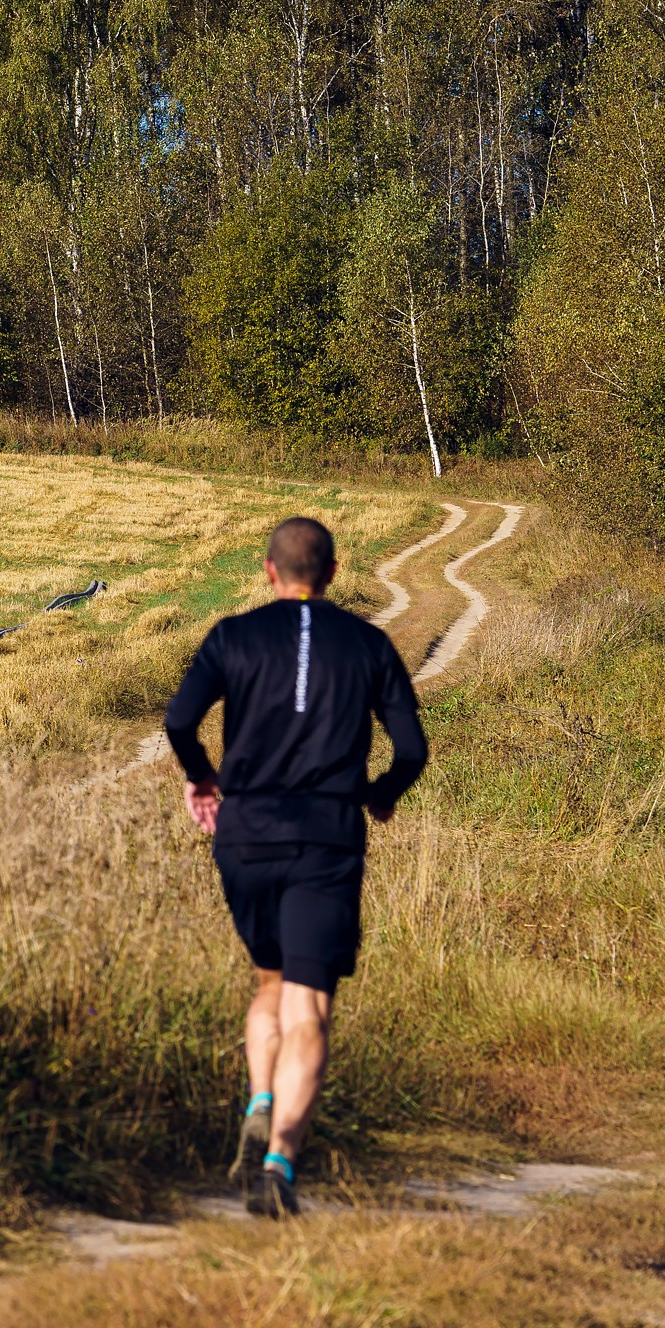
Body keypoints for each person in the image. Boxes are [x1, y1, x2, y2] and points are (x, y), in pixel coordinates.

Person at [164, 515, 427, 1218]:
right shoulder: (369, 645)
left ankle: (258, 1097)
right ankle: (278, 1163)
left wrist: (204, 780)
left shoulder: (231, 636)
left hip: (246, 834)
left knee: (269, 982)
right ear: (335, 574)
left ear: (268, 572)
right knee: (309, 1003)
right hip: (326, 839)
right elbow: (411, 751)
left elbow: (178, 722)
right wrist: (379, 797)